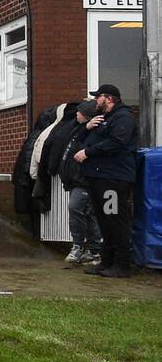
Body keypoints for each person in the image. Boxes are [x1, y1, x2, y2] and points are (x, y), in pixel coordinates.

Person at [74, 83, 138, 278]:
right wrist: (86, 127)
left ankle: (122, 264)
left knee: (115, 220)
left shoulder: (123, 118)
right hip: (99, 178)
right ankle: (106, 261)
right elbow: (81, 140)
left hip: (113, 179)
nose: (95, 101)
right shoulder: (102, 119)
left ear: (109, 98)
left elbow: (116, 143)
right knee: (104, 220)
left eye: (97, 97)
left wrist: (88, 152)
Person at [58, 99, 103, 266]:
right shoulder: (79, 129)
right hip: (76, 179)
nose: (76, 114)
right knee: (89, 214)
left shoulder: (93, 133)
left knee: (76, 208)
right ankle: (94, 250)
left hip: (83, 180)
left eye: (80, 112)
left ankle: (79, 246)